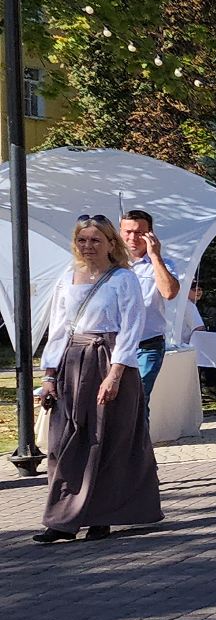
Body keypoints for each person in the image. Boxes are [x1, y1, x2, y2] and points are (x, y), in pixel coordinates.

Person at [34, 215, 164, 543]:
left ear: (110, 243)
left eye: (95, 240)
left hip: (110, 360)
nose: (88, 246)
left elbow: (132, 327)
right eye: (82, 240)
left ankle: (102, 517)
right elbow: (59, 327)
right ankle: (62, 518)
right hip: (74, 362)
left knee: (107, 440)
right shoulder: (68, 278)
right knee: (64, 440)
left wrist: (115, 374)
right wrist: (49, 375)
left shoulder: (123, 278)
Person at [119, 209, 179, 413]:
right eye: (127, 232)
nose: (132, 237)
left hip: (147, 343)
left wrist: (155, 256)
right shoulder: (112, 264)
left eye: (138, 232)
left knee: (138, 399)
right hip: (115, 343)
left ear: (150, 234)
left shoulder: (163, 264)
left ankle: (138, 444)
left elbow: (169, 292)